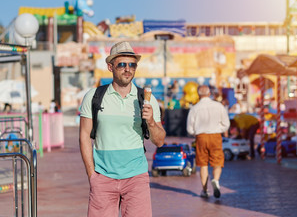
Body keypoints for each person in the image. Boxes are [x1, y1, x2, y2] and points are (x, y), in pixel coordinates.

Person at [79, 41, 166, 217]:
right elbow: (84, 136)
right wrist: (92, 175)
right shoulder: (94, 96)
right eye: (122, 64)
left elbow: (160, 141)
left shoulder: (147, 99)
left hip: (136, 178)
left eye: (132, 64)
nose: (128, 69)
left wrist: (150, 122)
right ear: (110, 67)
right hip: (102, 176)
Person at [186, 85, 230, 198]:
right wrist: (218, 130)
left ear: (198, 94)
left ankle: (205, 190)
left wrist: (197, 132)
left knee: (203, 164)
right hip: (215, 136)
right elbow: (226, 124)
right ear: (209, 93)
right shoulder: (219, 106)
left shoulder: (194, 108)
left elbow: (189, 129)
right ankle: (215, 180)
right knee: (217, 161)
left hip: (201, 137)